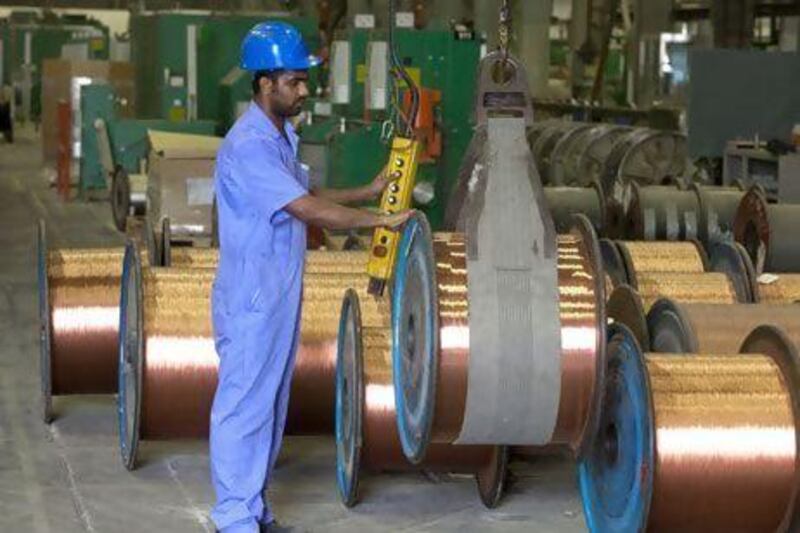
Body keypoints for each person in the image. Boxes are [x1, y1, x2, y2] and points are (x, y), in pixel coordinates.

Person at [210, 22, 412, 533]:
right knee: (243, 408)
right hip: (254, 297)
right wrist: (378, 223)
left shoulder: (280, 137)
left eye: (304, 80)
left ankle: (254, 510)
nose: (304, 90)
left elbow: (310, 191)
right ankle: (234, 517)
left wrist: (368, 192)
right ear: (264, 83)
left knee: (271, 406)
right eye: (294, 81)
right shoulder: (250, 146)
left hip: (277, 294)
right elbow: (306, 210)